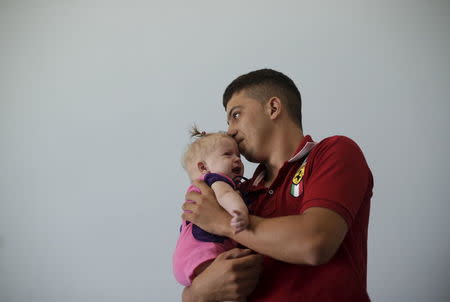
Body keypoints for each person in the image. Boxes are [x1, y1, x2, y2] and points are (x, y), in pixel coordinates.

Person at [181, 68, 373, 302]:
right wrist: (196, 294)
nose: (230, 130)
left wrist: (223, 222)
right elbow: (204, 277)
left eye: (236, 115)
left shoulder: (333, 152)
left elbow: (315, 242)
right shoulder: (242, 193)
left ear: (273, 108)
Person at [173, 127, 252, 301]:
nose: (237, 159)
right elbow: (226, 195)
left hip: (187, 260)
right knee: (235, 287)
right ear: (204, 167)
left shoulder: (196, 190)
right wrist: (240, 212)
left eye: (238, 155)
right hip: (206, 252)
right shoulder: (215, 180)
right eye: (227, 154)